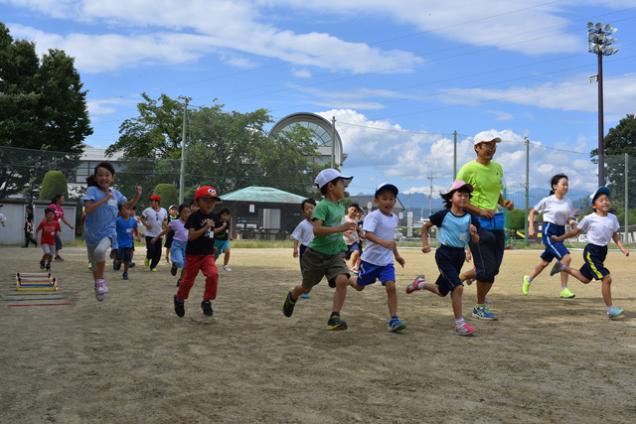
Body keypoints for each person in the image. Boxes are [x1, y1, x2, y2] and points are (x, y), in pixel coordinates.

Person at [282, 168, 358, 331]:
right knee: (306, 287)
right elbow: (316, 230)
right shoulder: (322, 206)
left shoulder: (340, 205)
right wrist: (340, 228)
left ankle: (334, 317)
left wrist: (345, 230)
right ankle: (293, 295)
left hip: (336, 253)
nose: (344, 187)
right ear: (331, 186)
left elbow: (335, 227)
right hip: (316, 255)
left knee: (343, 280)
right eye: (341, 184)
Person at [406, 180, 480, 336]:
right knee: (458, 287)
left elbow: (476, 241)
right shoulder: (443, 215)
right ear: (451, 198)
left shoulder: (471, 218)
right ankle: (460, 325)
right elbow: (425, 227)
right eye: (460, 194)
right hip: (444, 254)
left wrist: (474, 235)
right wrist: (425, 243)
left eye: (466, 195)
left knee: (441, 290)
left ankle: (420, 284)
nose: (463, 198)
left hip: (459, 255)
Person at [456, 130, 514, 321]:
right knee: (487, 269)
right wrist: (479, 210)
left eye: (494, 144)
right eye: (487, 144)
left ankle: (462, 277)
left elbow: (496, 192)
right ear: (477, 147)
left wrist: (504, 202)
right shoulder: (467, 170)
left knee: (494, 268)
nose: (491, 148)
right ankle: (479, 307)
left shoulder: (498, 168)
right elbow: (457, 197)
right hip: (476, 221)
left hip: (496, 220)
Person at [550, 187, 629, 320]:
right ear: (594, 205)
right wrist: (559, 238)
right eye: (601, 200)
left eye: (607, 200)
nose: (605, 202)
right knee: (606, 278)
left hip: (602, 252)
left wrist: (622, 248)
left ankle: (562, 267)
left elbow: (615, 236)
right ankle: (610, 310)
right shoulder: (589, 218)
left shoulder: (613, 218)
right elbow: (575, 232)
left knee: (585, 279)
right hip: (591, 252)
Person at [348, 183, 407, 332]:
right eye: (384, 198)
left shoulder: (394, 218)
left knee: (391, 286)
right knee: (360, 286)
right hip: (370, 261)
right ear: (376, 201)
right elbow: (367, 234)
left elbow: (391, 241)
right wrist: (384, 243)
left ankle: (394, 319)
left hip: (386, 262)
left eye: (391, 199)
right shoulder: (373, 216)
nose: (388, 201)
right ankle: (346, 277)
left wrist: (397, 256)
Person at [83, 162, 141, 301]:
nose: (104, 178)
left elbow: (127, 206)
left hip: (108, 232)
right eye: (100, 175)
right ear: (96, 178)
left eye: (107, 175)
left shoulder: (116, 194)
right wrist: (105, 199)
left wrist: (137, 196)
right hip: (91, 234)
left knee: (99, 252)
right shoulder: (92, 191)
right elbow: (88, 209)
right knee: (94, 264)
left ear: (112, 177)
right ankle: (98, 284)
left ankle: (100, 281)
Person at [522, 174, 577, 299]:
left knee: (544, 263)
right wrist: (531, 227)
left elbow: (569, 218)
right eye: (563, 184)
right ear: (555, 186)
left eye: (567, 184)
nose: (566, 187)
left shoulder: (568, 202)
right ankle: (564, 289)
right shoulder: (548, 200)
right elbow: (533, 212)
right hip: (549, 232)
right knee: (566, 258)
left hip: (561, 232)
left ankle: (528, 279)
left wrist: (572, 223)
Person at [173, 186, 221, 318]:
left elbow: (210, 234)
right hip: (193, 255)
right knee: (188, 280)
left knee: (213, 275)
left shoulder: (214, 217)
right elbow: (191, 236)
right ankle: (179, 299)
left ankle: (206, 301)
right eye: (206, 200)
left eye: (213, 201)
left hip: (207, 254)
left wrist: (212, 244)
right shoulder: (194, 217)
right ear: (197, 201)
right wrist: (206, 227)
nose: (210, 203)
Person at [291, 198, 316, 300]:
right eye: (307, 209)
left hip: (316, 249)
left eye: (312, 208)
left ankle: (305, 288)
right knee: (305, 271)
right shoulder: (302, 224)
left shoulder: (319, 223)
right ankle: (305, 290)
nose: (310, 211)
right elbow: (296, 237)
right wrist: (295, 249)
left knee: (313, 271)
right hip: (305, 249)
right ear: (303, 212)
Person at [141, 194, 168, 272]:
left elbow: (165, 220)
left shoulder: (164, 210)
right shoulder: (147, 210)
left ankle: (153, 266)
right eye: (150, 201)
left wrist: (166, 225)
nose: (150, 202)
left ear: (157, 202)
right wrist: (146, 224)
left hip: (159, 234)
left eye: (152, 201)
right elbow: (142, 218)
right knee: (152, 250)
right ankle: (148, 257)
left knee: (158, 253)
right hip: (149, 234)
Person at [48, 194, 74, 262]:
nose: (63, 200)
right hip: (50, 227)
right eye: (62, 198)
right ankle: (54, 256)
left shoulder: (60, 208)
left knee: (56, 242)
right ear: (57, 199)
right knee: (57, 242)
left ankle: (54, 256)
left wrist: (69, 225)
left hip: (55, 228)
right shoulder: (52, 206)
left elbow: (62, 218)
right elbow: (47, 215)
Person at [115, 205, 139, 280]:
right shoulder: (117, 220)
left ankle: (125, 273)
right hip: (119, 243)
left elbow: (135, 228)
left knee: (127, 260)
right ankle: (117, 262)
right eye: (124, 210)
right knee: (119, 258)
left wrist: (137, 236)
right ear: (120, 212)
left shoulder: (133, 220)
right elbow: (112, 229)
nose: (126, 211)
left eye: (128, 209)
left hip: (128, 244)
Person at [343, 203, 363, 273]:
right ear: (348, 209)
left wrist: (360, 231)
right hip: (344, 242)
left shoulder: (355, 220)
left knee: (357, 252)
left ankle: (353, 267)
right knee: (342, 257)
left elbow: (356, 226)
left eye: (355, 211)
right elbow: (340, 229)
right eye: (352, 210)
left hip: (354, 241)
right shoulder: (344, 218)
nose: (353, 212)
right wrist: (346, 234)